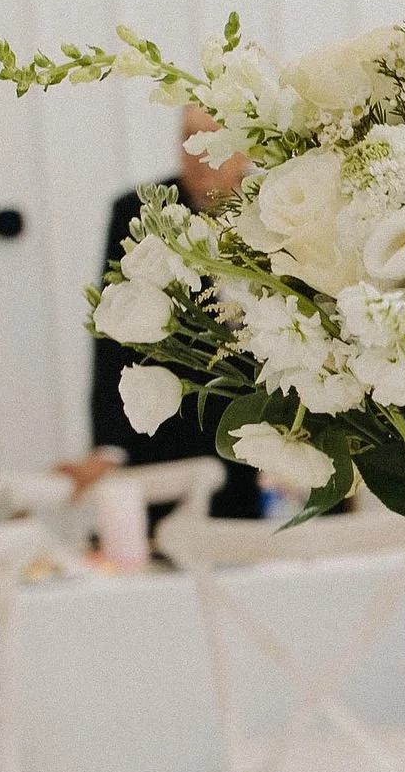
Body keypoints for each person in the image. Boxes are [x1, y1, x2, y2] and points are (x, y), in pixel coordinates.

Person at [60, 102, 263, 520]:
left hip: (264, 435)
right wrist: (109, 447)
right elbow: (114, 337)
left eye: (211, 141)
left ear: (246, 149)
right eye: (187, 138)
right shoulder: (138, 213)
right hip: (170, 434)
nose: (196, 153)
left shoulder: (275, 211)